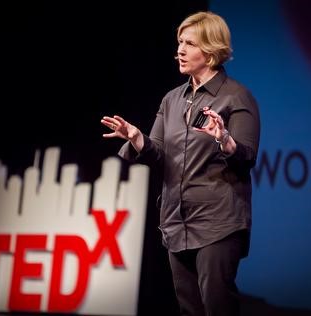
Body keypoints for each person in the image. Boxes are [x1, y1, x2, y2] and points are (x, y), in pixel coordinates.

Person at [101, 11, 260, 316]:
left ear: (211, 51)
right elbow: (159, 154)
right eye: (179, 42)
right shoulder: (172, 100)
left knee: (218, 307)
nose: (180, 50)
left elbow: (247, 157)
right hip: (176, 222)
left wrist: (224, 139)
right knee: (190, 310)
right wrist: (136, 138)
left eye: (189, 43)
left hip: (218, 223)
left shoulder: (236, 97)